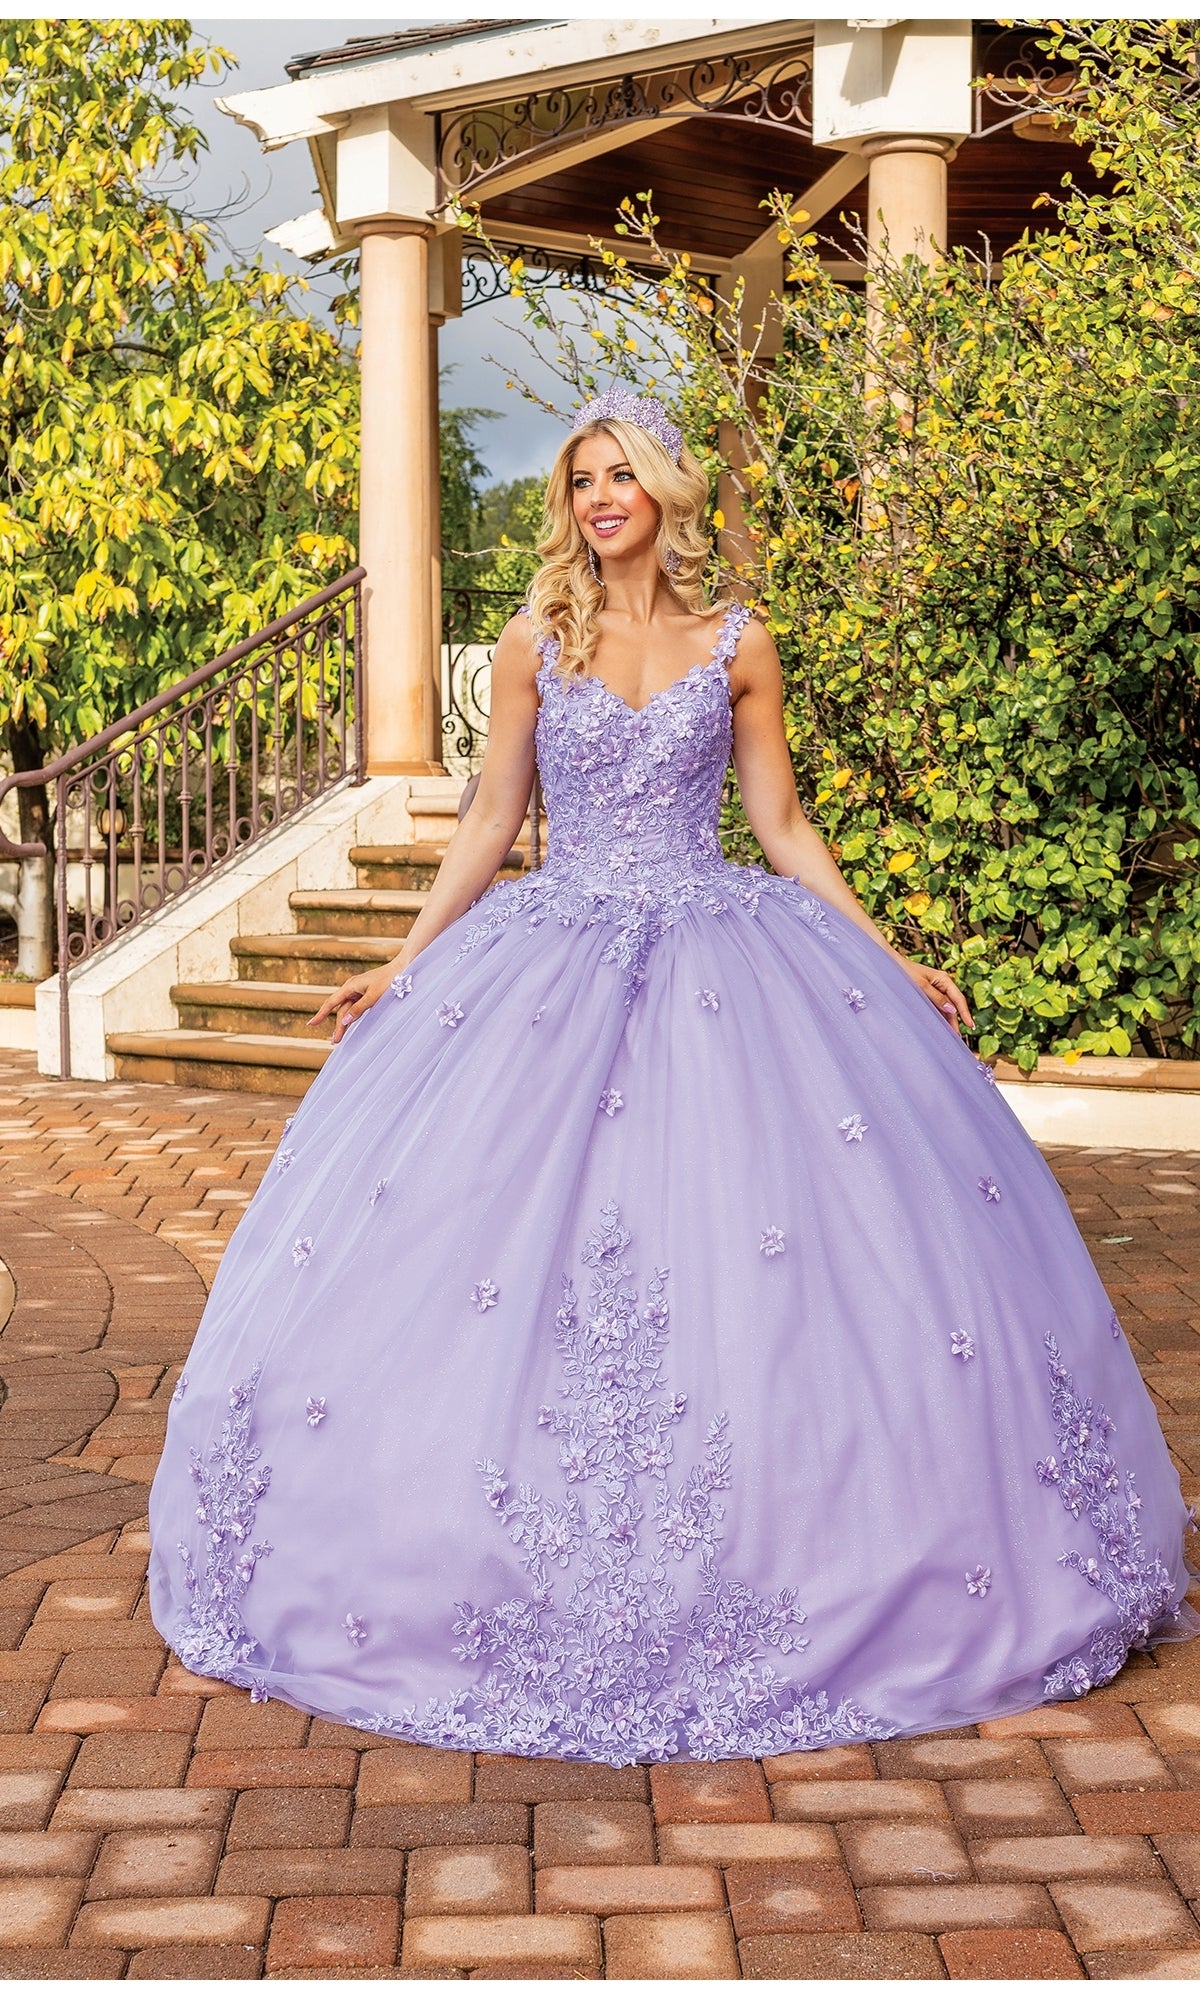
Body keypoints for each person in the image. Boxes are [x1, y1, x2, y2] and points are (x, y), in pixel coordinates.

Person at [147, 386, 1197, 1764]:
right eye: (580, 478)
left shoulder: (739, 643)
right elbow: (489, 821)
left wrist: (885, 956)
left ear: (664, 494)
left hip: (722, 954)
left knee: (772, 1253)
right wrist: (406, 963)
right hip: (548, 963)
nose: (598, 498)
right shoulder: (534, 643)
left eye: (619, 476)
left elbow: (781, 825)